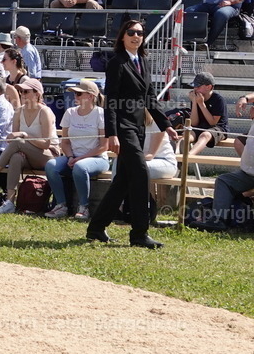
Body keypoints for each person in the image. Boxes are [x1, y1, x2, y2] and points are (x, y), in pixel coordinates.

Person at [87, 19, 176, 249]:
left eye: (140, 33)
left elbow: (150, 98)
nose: (136, 36)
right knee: (140, 173)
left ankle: (96, 228)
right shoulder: (117, 63)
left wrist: (165, 125)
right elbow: (111, 101)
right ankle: (139, 233)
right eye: (131, 32)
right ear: (123, 36)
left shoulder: (143, 61)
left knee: (123, 181)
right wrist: (112, 134)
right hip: (123, 128)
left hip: (139, 128)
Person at [0, 77, 58, 214]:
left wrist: (25, 135)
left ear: (37, 94)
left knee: (19, 142)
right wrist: (19, 139)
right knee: (16, 157)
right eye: (21, 91)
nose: (22, 94)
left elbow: (46, 143)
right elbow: (12, 140)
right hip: (26, 154)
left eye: (26, 91)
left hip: (47, 154)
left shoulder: (45, 111)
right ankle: (9, 201)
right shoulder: (19, 111)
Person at [44, 79, 108, 221]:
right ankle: (61, 205)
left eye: (79, 94)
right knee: (50, 165)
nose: (75, 96)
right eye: (75, 93)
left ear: (91, 96)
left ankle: (84, 207)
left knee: (80, 167)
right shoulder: (70, 112)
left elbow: (104, 146)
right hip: (73, 157)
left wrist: (79, 158)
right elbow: (65, 142)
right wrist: (71, 156)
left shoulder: (100, 113)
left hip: (98, 159)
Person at [190, 93, 254, 232]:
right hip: (248, 174)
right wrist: (244, 98)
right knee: (224, 181)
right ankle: (218, 220)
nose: (251, 110)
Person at [186, 71, 228, 157]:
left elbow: (212, 122)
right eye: (194, 87)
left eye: (198, 87)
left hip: (218, 128)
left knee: (205, 135)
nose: (195, 89)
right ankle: (177, 157)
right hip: (201, 126)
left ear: (208, 87)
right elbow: (194, 123)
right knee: (186, 136)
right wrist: (194, 103)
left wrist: (201, 104)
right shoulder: (195, 98)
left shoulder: (219, 100)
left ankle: (188, 156)